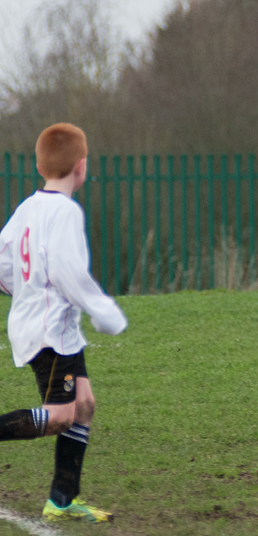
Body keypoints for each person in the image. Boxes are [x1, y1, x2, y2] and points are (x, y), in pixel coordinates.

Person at [0, 123, 127, 523]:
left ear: (40, 165)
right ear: (81, 165)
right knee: (60, 416)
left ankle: (61, 500)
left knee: (84, 404)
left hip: (57, 329)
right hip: (50, 332)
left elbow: (3, 265)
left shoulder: (28, 207)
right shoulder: (65, 212)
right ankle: (60, 499)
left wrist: (23, 288)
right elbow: (69, 271)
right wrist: (104, 311)